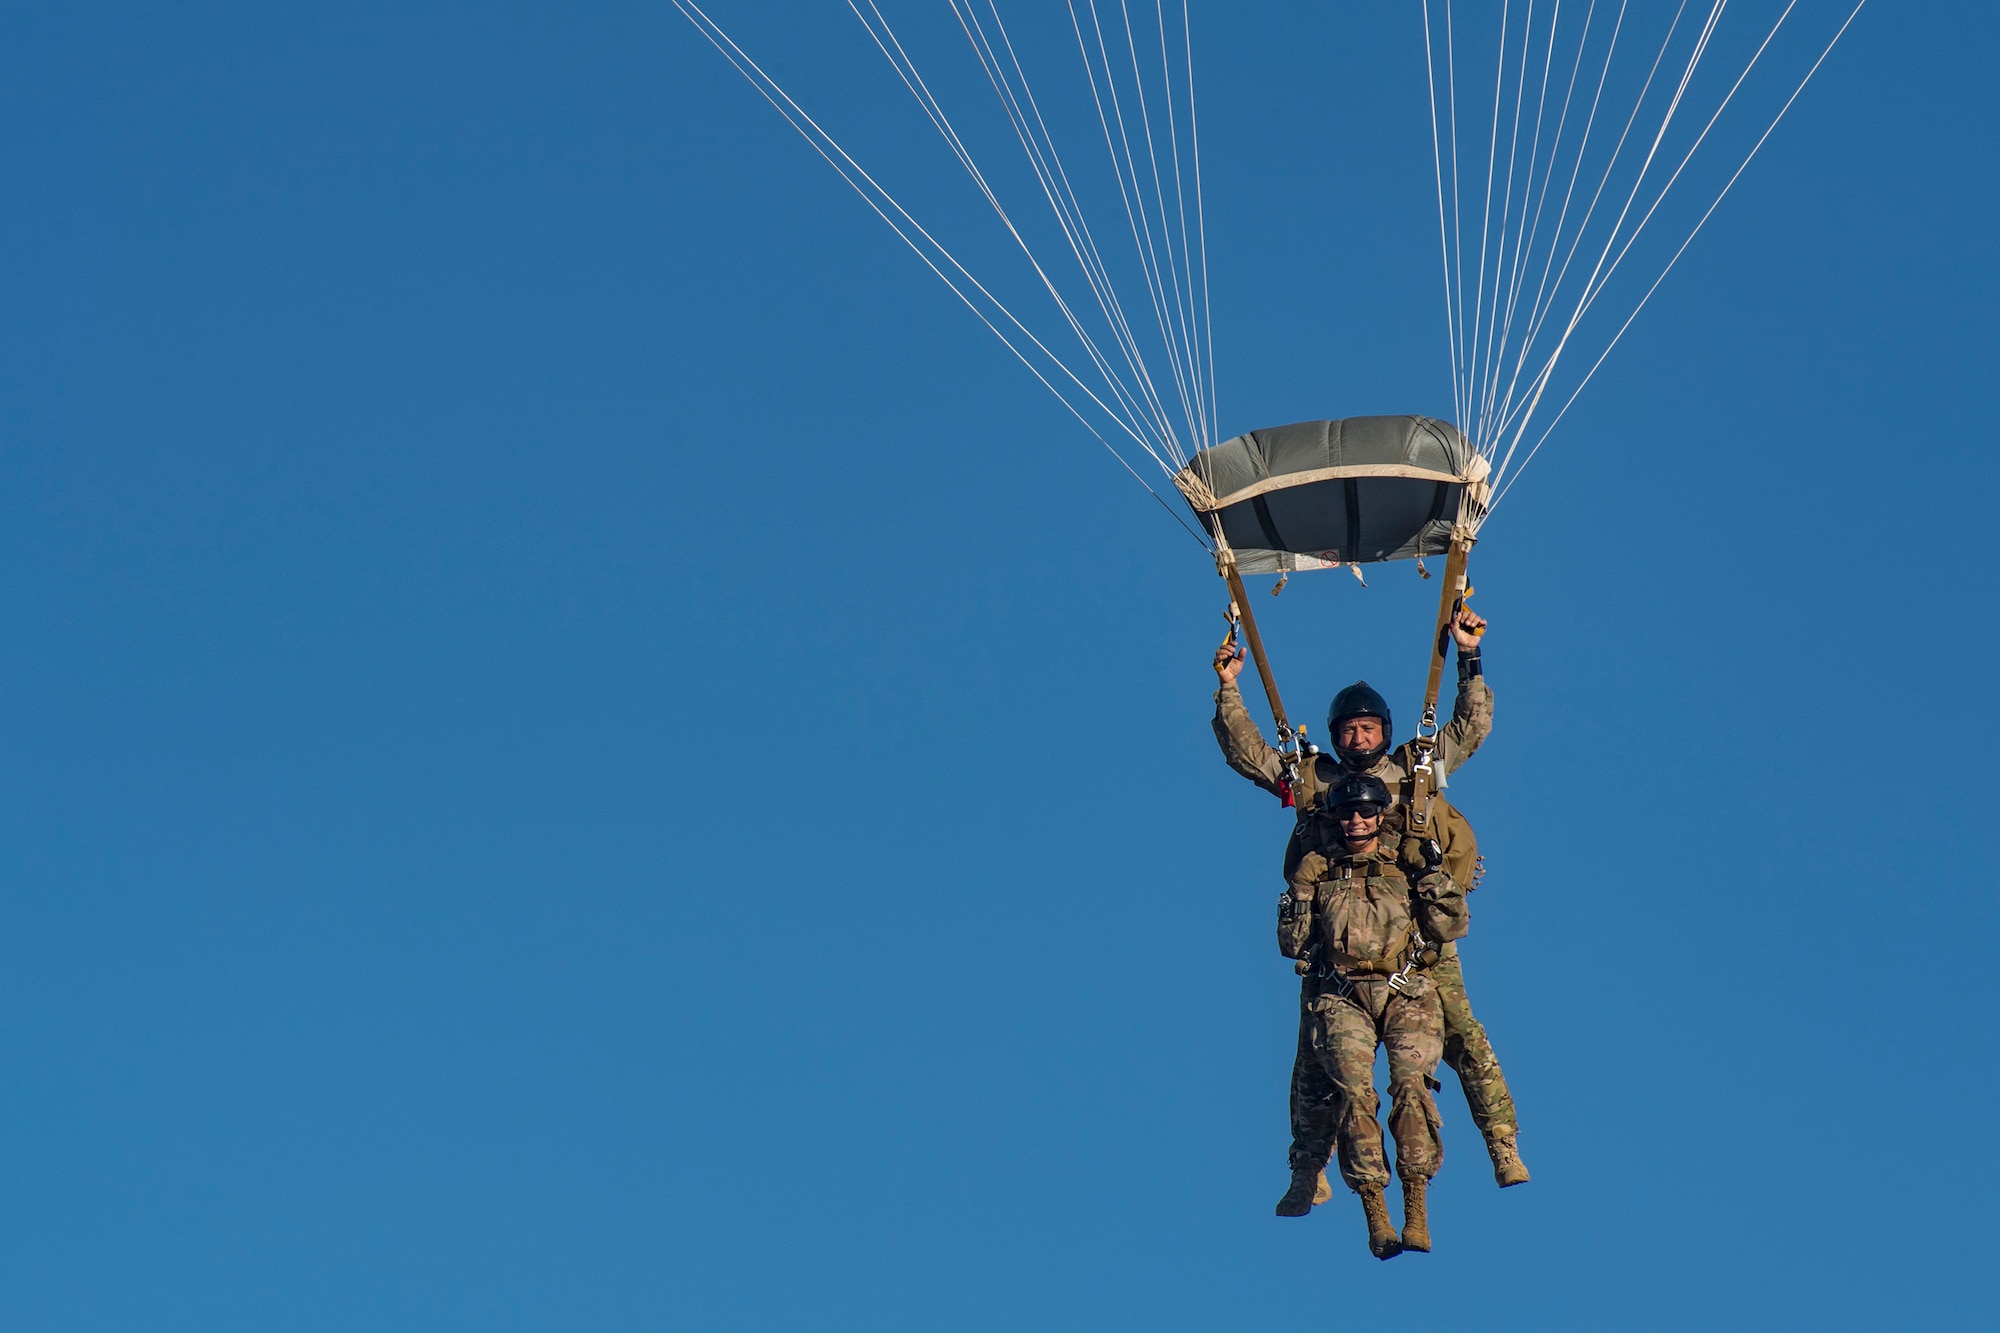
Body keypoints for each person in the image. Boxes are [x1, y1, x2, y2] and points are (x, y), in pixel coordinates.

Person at [1211, 602, 1529, 1217]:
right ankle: (1310, 1171)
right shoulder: (1314, 785)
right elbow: (1249, 754)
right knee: (1315, 1063)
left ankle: (1502, 1143)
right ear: (1335, 738)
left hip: (1418, 945)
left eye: (1369, 728)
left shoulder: (1416, 773)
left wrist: (1469, 656)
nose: (1360, 739)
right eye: (1349, 731)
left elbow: (1471, 727)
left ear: (1384, 730)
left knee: (1464, 1038)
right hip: (1337, 943)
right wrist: (1229, 690)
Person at [1280, 774, 1465, 1258]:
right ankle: (1376, 1215)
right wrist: (1300, 895)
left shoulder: (1405, 861)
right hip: (1342, 994)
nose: (1356, 822)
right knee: (1354, 1096)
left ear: (1381, 814)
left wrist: (1431, 874)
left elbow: (1451, 924)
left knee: (1411, 1088)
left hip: (1406, 989)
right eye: (1346, 814)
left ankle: (1417, 1205)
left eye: (1365, 812)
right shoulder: (1318, 869)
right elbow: (1290, 945)